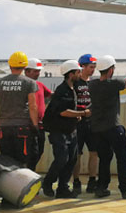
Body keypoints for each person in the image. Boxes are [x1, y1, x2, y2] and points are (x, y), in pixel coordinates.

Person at [89, 55, 126, 199]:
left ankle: (101, 187)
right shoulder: (114, 83)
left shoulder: (92, 84)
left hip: (97, 129)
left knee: (104, 158)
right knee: (122, 156)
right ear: (110, 70)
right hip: (113, 127)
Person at [41, 61, 89, 199]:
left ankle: (63, 188)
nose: (80, 74)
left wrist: (76, 116)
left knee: (71, 160)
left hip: (70, 130)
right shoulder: (62, 90)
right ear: (71, 74)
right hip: (59, 131)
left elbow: (70, 111)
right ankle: (48, 182)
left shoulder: (72, 89)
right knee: (62, 159)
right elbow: (62, 112)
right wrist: (83, 113)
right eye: (78, 72)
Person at [0, 51, 39, 168]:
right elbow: (33, 106)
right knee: (22, 160)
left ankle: (7, 185)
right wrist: (35, 125)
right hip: (22, 127)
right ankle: (20, 185)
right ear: (24, 66)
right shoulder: (29, 83)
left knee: (6, 160)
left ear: (10, 65)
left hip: (4, 127)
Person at [73, 54, 98, 195]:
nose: (92, 70)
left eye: (94, 67)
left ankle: (92, 180)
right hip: (78, 123)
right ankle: (76, 180)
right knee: (77, 154)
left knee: (94, 152)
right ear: (82, 67)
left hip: (92, 123)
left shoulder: (94, 83)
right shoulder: (75, 83)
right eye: (90, 67)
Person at [25, 58, 52, 171]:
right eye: (35, 71)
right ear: (27, 72)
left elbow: (50, 94)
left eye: (38, 71)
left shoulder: (39, 85)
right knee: (30, 153)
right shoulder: (23, 86)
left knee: (39, 152)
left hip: (40, 126)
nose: (38, 73)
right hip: (27, 126)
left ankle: (30, 173)